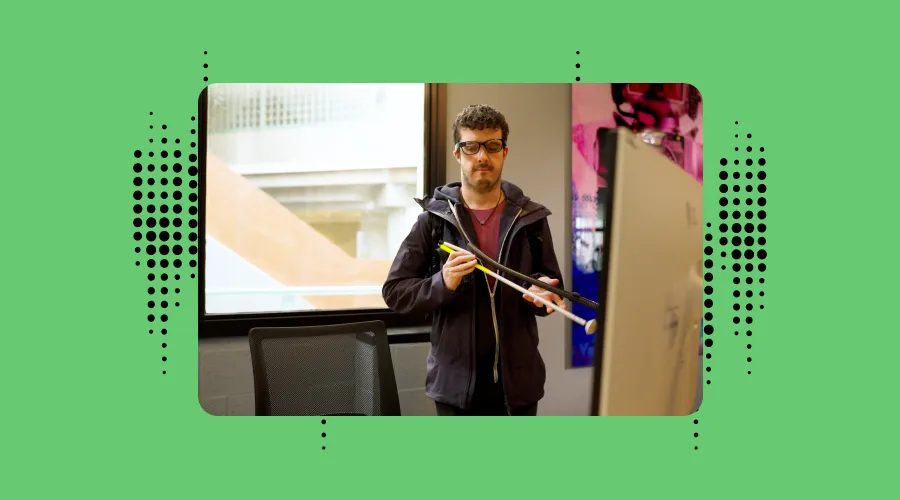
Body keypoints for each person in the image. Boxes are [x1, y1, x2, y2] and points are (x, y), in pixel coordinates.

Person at [382, 104, 565, 416]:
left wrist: (542, 294)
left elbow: (549, 287)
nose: (482, 156)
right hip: (455, 386)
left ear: (504, 152)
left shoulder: (531, 218)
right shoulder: (434, 220)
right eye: (471, 147)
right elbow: (396, 292)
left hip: (518, 385)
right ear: (458, 154)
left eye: (492, 146)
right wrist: (443, 283)